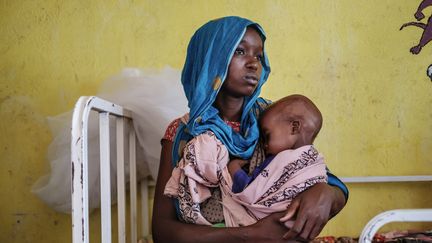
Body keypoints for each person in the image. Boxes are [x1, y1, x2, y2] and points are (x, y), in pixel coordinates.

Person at [152, 16, 348, 242]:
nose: (254, 64)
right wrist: (249, 235)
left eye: (259, 55)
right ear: (211, 58)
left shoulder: (272, 118)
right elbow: (162, 230)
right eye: (240, 52)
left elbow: (323, 180)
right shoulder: (182, 133)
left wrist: (324, 193)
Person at [163, 94, 328, 227]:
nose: (264, 144)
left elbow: (251, 190)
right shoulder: (314, 161)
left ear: (294, 128)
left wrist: (234, 169)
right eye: (240, 52)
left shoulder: (281, 160)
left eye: (267, 135)